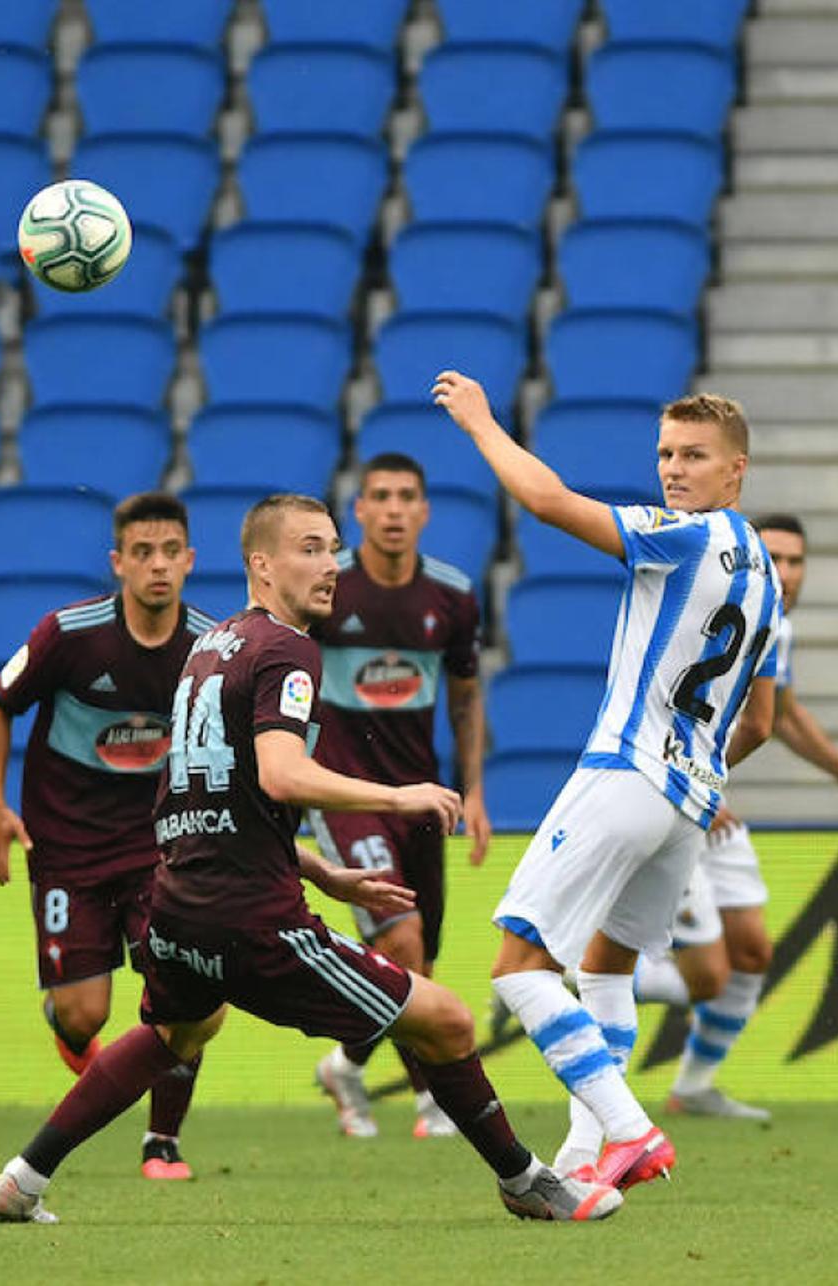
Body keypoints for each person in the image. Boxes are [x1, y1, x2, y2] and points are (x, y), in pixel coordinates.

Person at [0, 494, 622, 1224]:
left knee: (174, 1034)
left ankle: (20, 1180)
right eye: (309, 549)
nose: (330, 565)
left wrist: (321, 870)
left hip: (179, 904)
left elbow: (209, 798)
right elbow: (282, 776)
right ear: (261, 564)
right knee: (446, 1020)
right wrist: (401, 795)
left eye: (332, 548)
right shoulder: (288, 650)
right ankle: (525, 1181)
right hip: (252, 920)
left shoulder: (210, 646)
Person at [432, 374, 781, 1194]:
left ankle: (631, 1130)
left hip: (628, 771)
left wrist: (481, 424)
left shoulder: (687, 537)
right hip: (690, 800)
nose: (674, 470)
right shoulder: (766, 572)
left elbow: (548, 501)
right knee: (605, 970)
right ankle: (585, 1158)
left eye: (695, 456)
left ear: (736, 470)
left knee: (519, 967)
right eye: (666, 454)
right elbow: (758, 718)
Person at [604, 514, 838, 1135]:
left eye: (797, 561)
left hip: (712, 798)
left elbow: (780, 718)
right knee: (708, 976)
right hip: (674, 797)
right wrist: (696, 777)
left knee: (753, 953)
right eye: (776, 559)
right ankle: (560, 975)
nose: (786, 572)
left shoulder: (776, 625)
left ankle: (693, 1086)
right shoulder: (705, 608)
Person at [0, 492, 220, 1181]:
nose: (157, 566)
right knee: (85, 1013)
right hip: (68, 850)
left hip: (162, 849)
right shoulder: (68, 635)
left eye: (169, 552)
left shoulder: (209, 647)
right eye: (142, 553)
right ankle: (72, 1033)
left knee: (190, 992)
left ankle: (162, 1141)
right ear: (118, 563)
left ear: (190, 560)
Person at [307, 452, 491, 1141]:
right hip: (346, 793)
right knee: (404, 940)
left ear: (424, 511)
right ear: (358, 511)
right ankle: (433, 1101)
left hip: (420, 797)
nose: (392, 510)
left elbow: (466, 698)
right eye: (379, 497)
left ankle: (346, 1064)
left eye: (405, 497)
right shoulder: (328, 588)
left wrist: (474, 791)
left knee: (416, 962)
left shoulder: (452, 596)